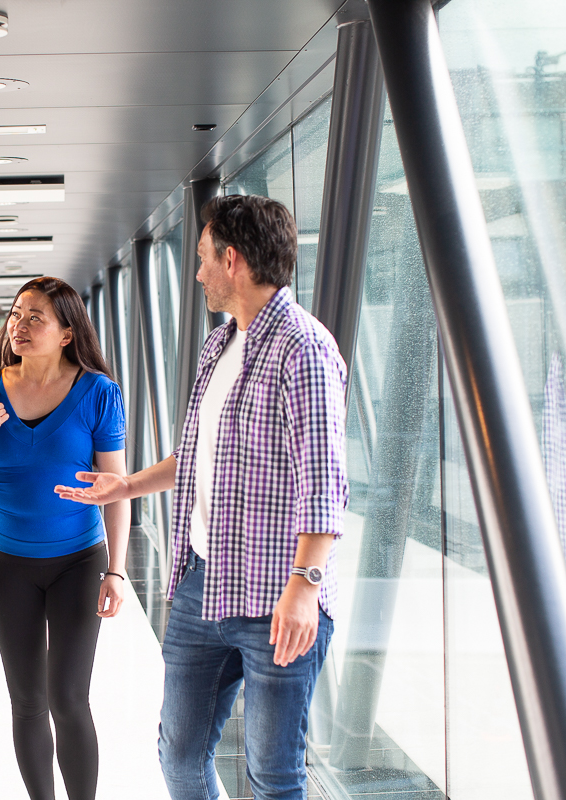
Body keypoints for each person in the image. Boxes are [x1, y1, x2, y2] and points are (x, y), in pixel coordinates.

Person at [56, 195, 348, 800]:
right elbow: (195, 456)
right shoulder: (219, 346)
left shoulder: (304, 348)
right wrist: (127, 485)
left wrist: (304, 587)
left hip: (277, 594)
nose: (197, 274)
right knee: (179, 754)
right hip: (203, 586)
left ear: (232, 260)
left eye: (202, 259)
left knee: (273, 775)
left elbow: (324, 482)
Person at [0, 277, 130, 800]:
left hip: (78, 561)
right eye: (16, 315)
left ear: (67, 333)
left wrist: (116, 569)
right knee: (27, 700)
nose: (19, 326)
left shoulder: (98, 393)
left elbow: (117, 489)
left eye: (35, 318)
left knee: (68, 698)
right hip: (7, 566)